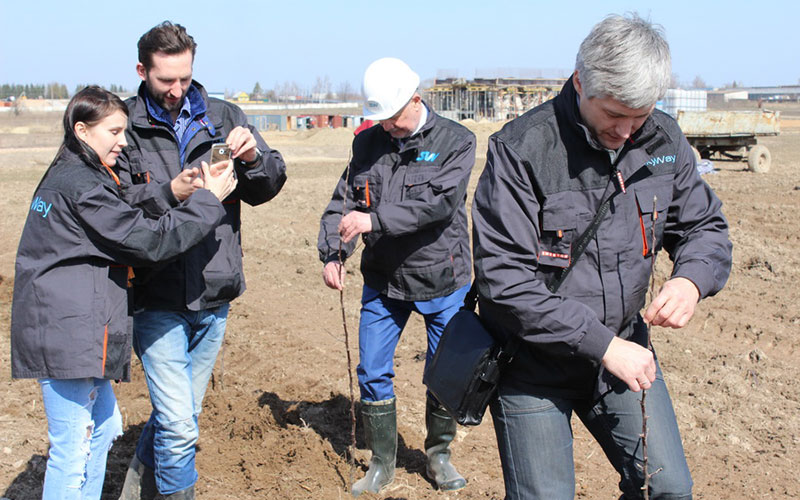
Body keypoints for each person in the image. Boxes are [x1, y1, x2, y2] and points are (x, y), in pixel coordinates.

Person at [471, 14, 733, 500]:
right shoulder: (522, 150)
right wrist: (602, 344)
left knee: (669, 490)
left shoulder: (663, 140)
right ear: (579, 82)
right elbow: (504, 281)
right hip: (533, 365)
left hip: (626, 353)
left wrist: (691, 280)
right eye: (614, 114)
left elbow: (703, 226)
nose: (626, 130)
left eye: (639, 115)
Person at [10, 86, 236, 500]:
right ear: (82, 130)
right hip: (67, 329)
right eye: (114, 131)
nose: (123, 141)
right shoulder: (81, 183)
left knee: (105, 427)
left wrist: (172, 191)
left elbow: (121, 203)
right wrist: (207, 201)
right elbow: (147, 240)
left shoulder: (78, 171)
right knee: (72, 446)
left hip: (74, 323)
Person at [115, 22, 287, 500]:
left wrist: (255, 159)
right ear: (141, 70)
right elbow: (119, 206)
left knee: (180, 414)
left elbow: (268, 186)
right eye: (165, 80)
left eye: (185, 79)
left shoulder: (223, 114)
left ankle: (135, 492)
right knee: (180, 425)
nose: (176, 90)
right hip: (156, 293)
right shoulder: (123, 125)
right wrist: (174, 192)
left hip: (215, 290)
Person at [318, 57, 476, 496]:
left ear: (416, 99)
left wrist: (374, 221)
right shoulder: (367, 144)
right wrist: (334, 253)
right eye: (381, 119)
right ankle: (382, 464)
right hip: (384, 282)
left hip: (443, 280)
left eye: (394, 117)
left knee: (444, 373)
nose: (388, 127)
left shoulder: (456, 142)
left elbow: (439, 204)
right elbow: (344, 201)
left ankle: (439, 457)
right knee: (371, 369)